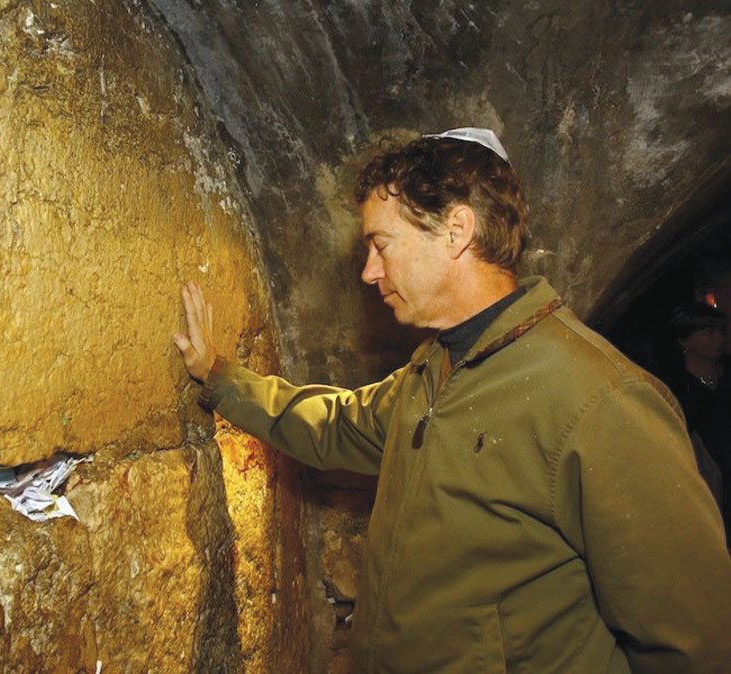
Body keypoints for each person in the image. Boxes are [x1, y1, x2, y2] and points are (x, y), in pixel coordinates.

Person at [173, 128, 731, 673]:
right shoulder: (434, 369)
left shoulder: (603, 401)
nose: (369, 271)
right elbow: (334, 424)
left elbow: (692, 645)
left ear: (456, 229)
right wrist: (219, 377)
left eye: (380, 244)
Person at [666, 303, 731, 539]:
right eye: (709, 333)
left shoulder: (727, 373)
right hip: (705, 474)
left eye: (721, 332)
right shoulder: (676, 385)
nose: (719, 339)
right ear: (685, 341)